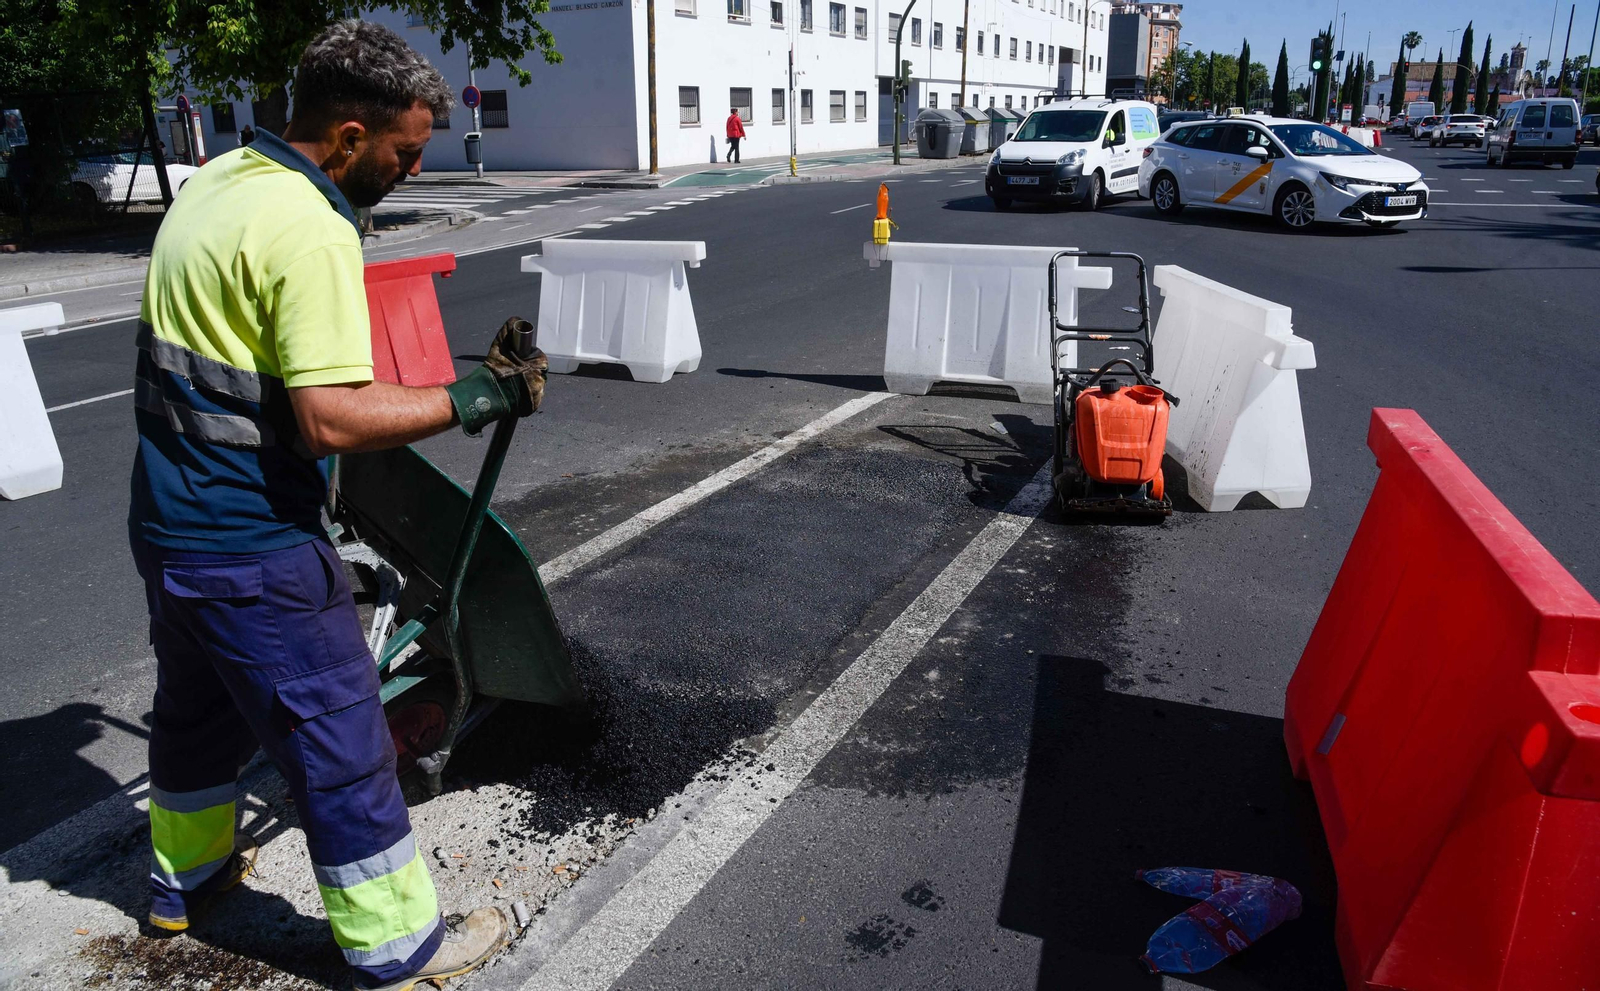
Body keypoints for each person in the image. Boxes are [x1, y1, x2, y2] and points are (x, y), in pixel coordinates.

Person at [128, 20, 545, 991]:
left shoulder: (220, 185)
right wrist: (476, 397)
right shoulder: (311, 225)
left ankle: (179, 881)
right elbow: (328, 417)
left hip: (168, 526)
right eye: (404, 152)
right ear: (350, 137)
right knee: (340, 742)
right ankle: (397, 947)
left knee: (193, 714)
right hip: (253, 540)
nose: (409, 170)